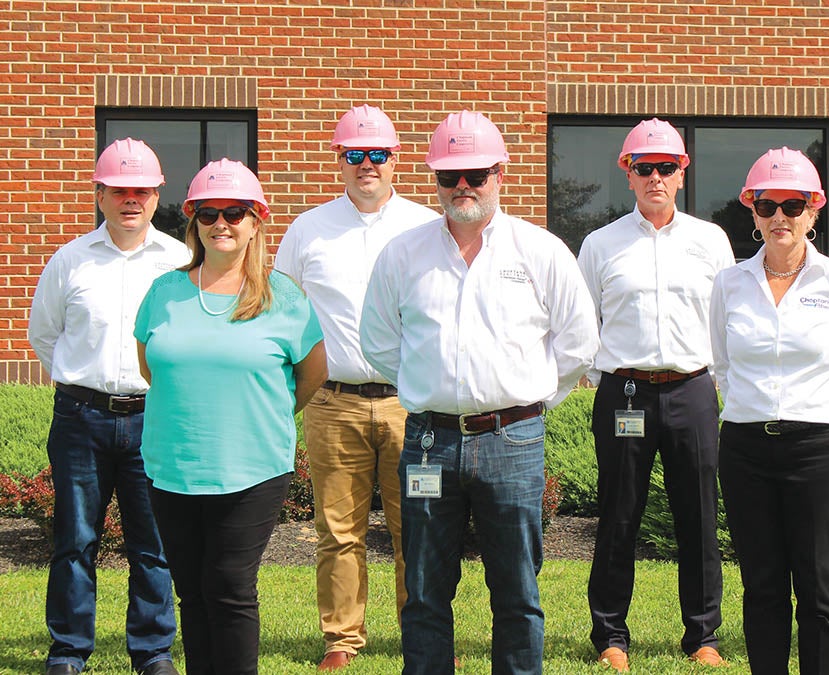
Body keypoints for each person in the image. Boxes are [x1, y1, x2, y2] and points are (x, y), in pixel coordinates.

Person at [360, 110, 598, 675]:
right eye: (449, 175)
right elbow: (377, 340)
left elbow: (579, 343)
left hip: (513, 439)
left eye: (476, 173)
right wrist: (429, 384)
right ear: (433, 179)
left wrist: (531, 400)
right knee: (422, 589)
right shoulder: (403, 253)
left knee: (517, 591)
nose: (463, 185)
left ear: (500, 173)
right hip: (427, 440)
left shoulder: (539, 251)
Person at [134, 158, 327, 675]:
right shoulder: (165, 292)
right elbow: (151, 366)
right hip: (172, 465)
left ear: (256, 220)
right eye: (209, 212)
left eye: (235, 212)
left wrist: (257, 414)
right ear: (193, 220)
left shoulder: (282, 296)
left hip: (253, 468)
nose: (222, 223)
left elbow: (311, 374)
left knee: (229, 585)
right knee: (192, 591)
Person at [275, 104, 438, 671]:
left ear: (396, 160)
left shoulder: (426, 228)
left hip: (410, 405)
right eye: (354, 155)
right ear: (338, 161)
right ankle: (341, 640)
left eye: (377, 154)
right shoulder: (307, 230)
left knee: (417, 528)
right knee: (337, 530)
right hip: (332, 402)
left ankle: (422, 636)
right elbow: (285, 314)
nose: (365, 164)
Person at [710, 147, 829, 675]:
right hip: (746, 447)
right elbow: (721, 363)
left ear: (814, 210)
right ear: (753, 211)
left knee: (818, 582)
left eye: (793, 205)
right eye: (768, 205)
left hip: (822, 446)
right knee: (761, 582)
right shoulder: (728, 283)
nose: (780, 217)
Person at [577, 118, 733, 671]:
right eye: (644, 168)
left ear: (682, 173)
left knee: (697, 514)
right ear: (628, 174)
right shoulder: (601, 244)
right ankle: (610, 636)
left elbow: (727, 319)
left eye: (666, 167)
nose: (655, 177)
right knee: (620, 515)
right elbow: (581, 322)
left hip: (692, 389)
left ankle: (703, 635)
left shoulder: (711, 241)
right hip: (625, 393)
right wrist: (599, 377)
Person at [27, 138, 186, 675]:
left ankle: (153, 651)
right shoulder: (69, 261)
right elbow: (45, 336)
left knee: (153, 544)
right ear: (100, 195)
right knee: (73, 541)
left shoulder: (180, 262)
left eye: (141, 190)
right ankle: (69, 650)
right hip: (81, 418)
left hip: (154, 418)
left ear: (156, 194)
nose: (130, 201)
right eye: (119, 190)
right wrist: (87, 383)